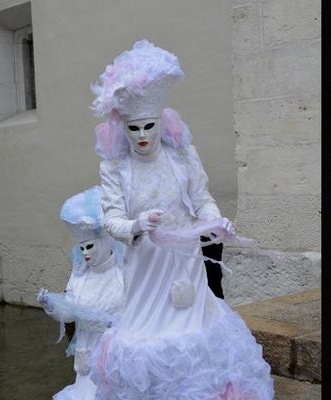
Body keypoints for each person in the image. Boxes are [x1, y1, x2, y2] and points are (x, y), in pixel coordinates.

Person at [89, 40, 274, 399]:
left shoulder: (182, 156)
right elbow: (110, 219)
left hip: (185, 262)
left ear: (161, 121)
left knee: (196, 328)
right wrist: (137, 224)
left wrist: (217, 221)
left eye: (148, 126)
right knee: (148, 337)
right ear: (123, 129)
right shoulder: (116, 168)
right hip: (145, 268)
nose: (142, 135)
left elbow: (202, 199)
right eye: (134, 128)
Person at [37, 185, 124, 400]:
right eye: (81, 248)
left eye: (90, 246)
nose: (85, 253)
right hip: (87, 352)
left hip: (117, 353)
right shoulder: (79, 276)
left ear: (104, 242)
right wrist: (51, 305)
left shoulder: (123, 273)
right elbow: (70, 311)